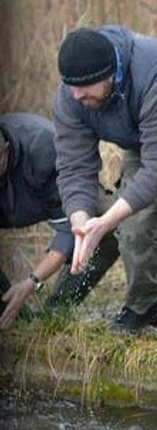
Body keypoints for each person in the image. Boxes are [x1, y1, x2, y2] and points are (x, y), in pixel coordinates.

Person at [52, 27, 157, 338]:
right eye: (71, 87)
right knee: (133, 228)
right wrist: (82, 220)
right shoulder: (72, 95)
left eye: (84, 87)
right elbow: (74, 166)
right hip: (143, 145)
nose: (76, 95)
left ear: (111, 72)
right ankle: (144, 303)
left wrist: (106, 221)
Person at [0, 113, 119, 329]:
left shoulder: (44, 147)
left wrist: (31, 282)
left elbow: (71, 229)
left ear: (6, 148)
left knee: (105, 224)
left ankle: (57, 309)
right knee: (14, 321)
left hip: (47, 194)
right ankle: (13, 316)